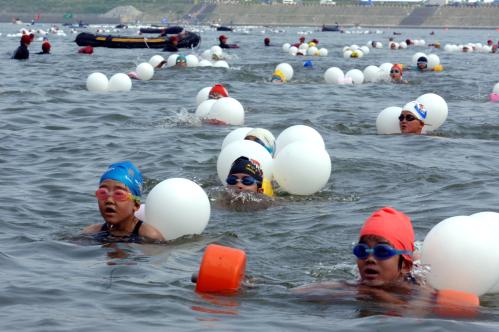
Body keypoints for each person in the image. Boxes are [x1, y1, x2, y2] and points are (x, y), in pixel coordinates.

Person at [83, 161, 165, 242]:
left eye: (119, 194)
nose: (109, 200)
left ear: (136, 205)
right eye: (103, 193)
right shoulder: (91, 232)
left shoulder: (150, 236)